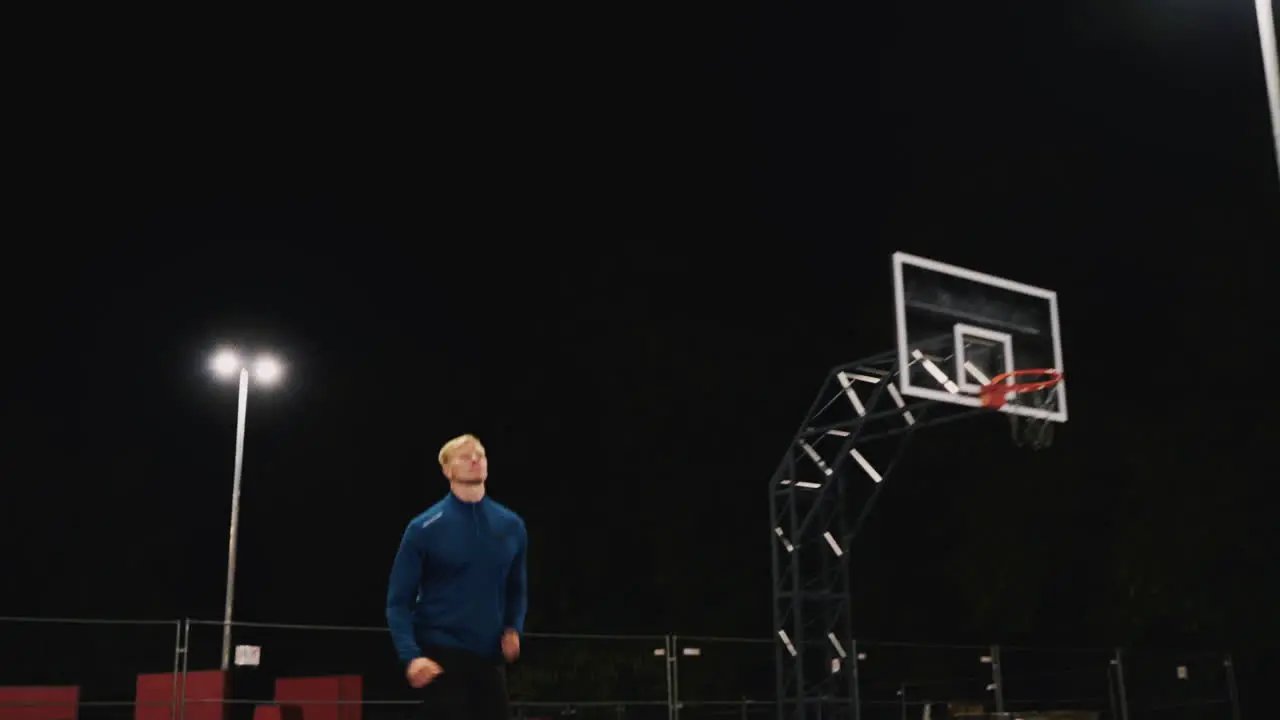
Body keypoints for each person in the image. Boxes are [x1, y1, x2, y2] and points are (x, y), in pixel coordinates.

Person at [386, 433, 528, 720]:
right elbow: (397, 602)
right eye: (465, 456)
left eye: (480, 454)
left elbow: (517, 587)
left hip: (489, 657)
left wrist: (514, 628)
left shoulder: (511, 525)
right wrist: (411, 655)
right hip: (442, 655)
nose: (475, 459)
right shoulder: (424, 528)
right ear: (447, 470)